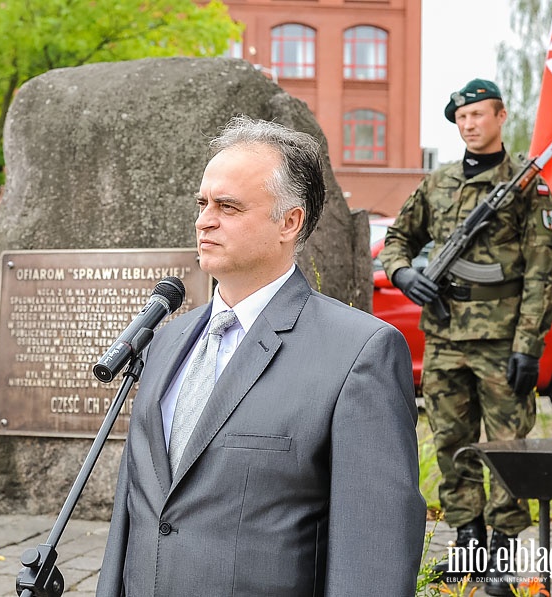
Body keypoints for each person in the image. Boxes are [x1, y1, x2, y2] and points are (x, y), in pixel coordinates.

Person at [97, 116, 426, 596]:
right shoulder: (168, 342)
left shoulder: (359, 354)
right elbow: (139, 514)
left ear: (289, 222)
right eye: (202, 203)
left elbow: (374, 550)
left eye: (228, 206)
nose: (204, 219)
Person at [380, 78, 552, 595]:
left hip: (502, 341)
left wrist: (529, 345)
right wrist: (402, 274)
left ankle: (502, 555)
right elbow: (397, 238)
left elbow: (541, 274)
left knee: (507, 449)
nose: (469, 124)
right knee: (452, 447)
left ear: (501, 116)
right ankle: (467, 543)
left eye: (479, 114)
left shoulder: (528, 185)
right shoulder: (437, 184)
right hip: (444, 338)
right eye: (461, 118)